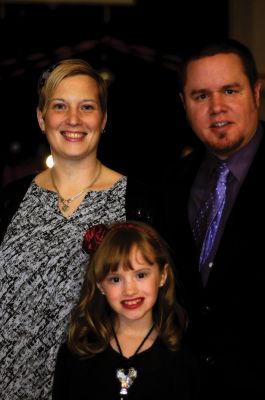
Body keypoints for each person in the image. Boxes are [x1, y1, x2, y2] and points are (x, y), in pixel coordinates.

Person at [0, 59, 161, 400]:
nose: (73, 119)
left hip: (95, 389)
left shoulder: (141, 203)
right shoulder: (8, 201)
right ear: (42, 117)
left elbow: (166, 309)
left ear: (103, 118)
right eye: (60, 106)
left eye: (86, 107)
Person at [164, 38, 265, 399]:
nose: (217, 107)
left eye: (230, 90)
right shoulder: (171, 184)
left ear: (256, 91)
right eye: (201, 96)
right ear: (184, 104)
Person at [52, 220, 200, 400]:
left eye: (141, 275)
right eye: (115, 279)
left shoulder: (185, 361)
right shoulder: (76, 354)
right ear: (100, 284)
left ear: (163, 275)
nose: (129, 290)